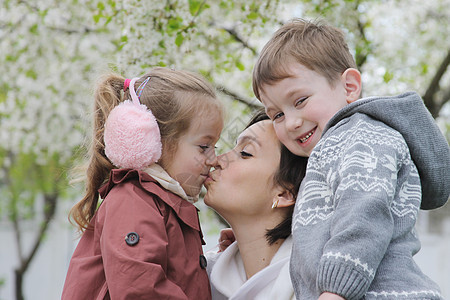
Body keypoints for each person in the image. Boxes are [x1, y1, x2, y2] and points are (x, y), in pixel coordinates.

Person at [252, 18, 450, 299]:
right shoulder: (333, 147)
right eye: (277, 115)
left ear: (349, 87)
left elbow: (365, 210)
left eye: (300, 101)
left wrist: (336, 290)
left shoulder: (364, 135)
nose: (292, 122)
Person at [62, 67, 223, 299]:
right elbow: (140, 290)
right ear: (153, 141)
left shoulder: (159, 203)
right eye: (204, 146)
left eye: (214, 147)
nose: (214, 159)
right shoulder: (133, 202)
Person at [203, 110, 308, 299]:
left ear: (284, 194)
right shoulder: (200, 278)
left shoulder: (319, 284)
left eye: (245, 153)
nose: (216, 160)